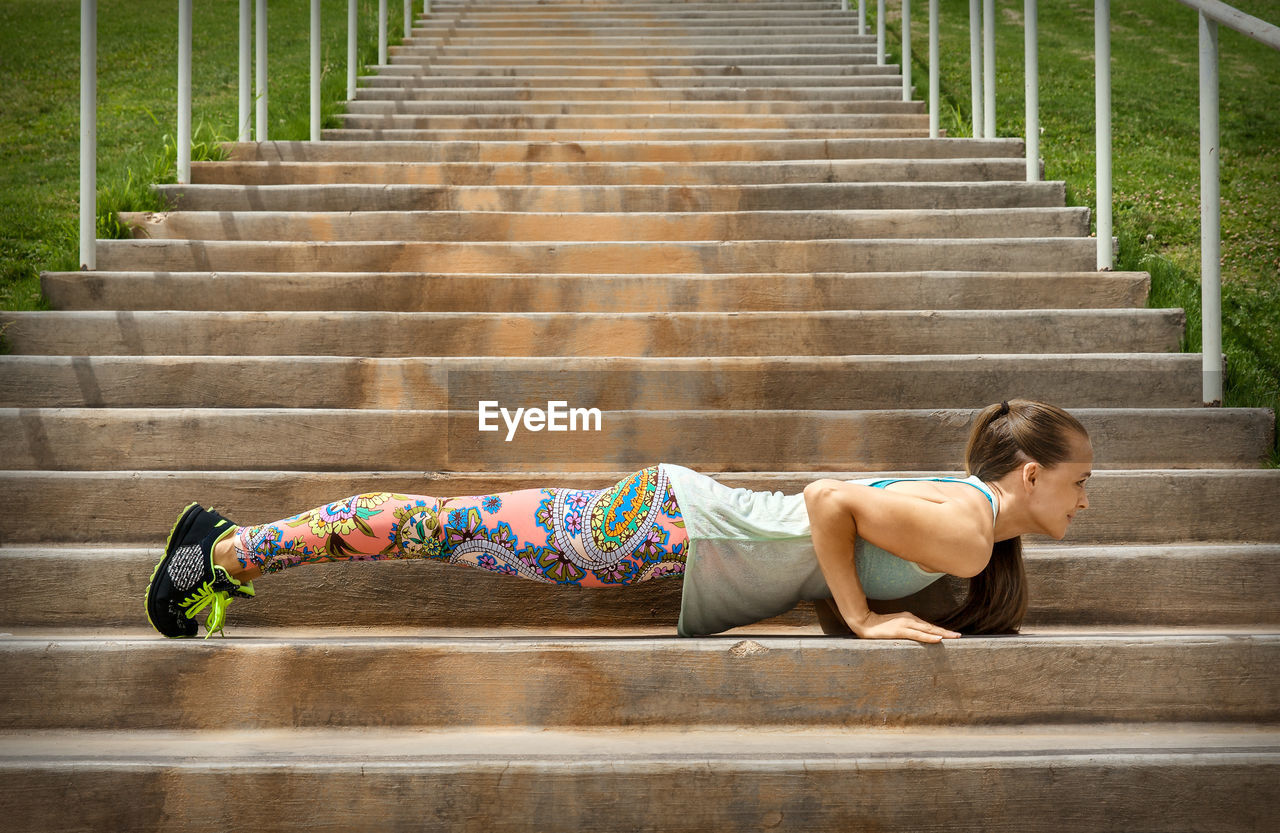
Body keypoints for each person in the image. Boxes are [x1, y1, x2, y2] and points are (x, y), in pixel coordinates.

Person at [145, 398, 1093, 644]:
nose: (1084, 502)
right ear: (1030, 472)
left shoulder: (969, 516)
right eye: (1079, 482)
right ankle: (218, 554)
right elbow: (825, 496)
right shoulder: (971, 527)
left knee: (446, 524)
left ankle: (230, 549)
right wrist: (862, 615)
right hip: (671, 527)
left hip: (678, 523)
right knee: (441, 525)